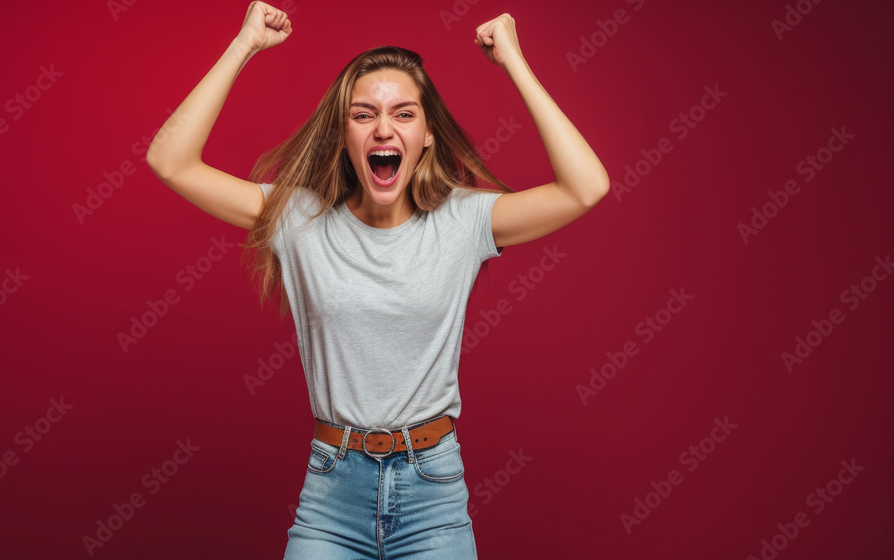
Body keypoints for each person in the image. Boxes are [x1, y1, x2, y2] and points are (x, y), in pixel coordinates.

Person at [145, 2, 609, 558]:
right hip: (331, 495)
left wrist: (513, 59)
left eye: (404, 114)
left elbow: (586, 187)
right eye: (363, 115)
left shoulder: (464, 221)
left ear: (429, 135)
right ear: (343, 136)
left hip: (432, 493)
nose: (383, 128)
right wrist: (244, 45)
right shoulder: (299, 219)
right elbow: (170, 160)